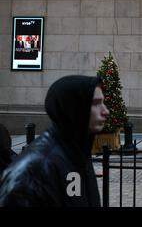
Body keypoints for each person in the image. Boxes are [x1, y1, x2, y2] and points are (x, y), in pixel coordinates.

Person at [0, 75, 110, 207]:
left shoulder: (77, 153)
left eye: (103, 102)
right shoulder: (34, 172)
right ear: (74, 108)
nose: (106, 111)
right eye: (96, 103)